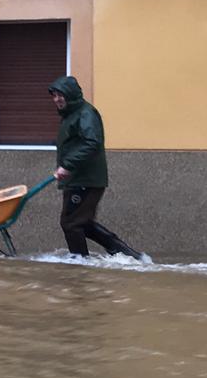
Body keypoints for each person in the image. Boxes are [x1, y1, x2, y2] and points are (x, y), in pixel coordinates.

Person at [48, 76, 142, 259]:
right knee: (83, 223)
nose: (57, 99)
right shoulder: (71, 115)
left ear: (71, 95)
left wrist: (67, 165)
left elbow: (92, 142)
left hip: (85, 180)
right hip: (77, 178)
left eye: (61, 95)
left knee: (71, 223)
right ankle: (128, 255)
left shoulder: (85, 114)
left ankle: (80, 263)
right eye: (54, 96)